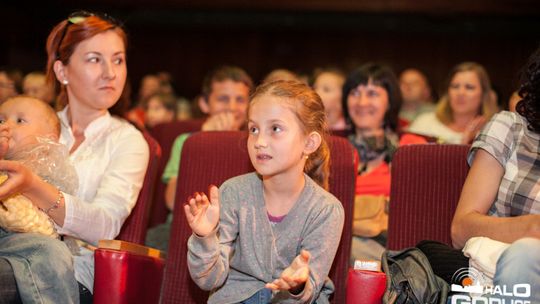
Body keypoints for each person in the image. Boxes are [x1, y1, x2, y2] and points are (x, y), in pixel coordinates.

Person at [0, 11, 149, 303]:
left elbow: (105, 225)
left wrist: (32, 186)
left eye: (118, 59)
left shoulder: (128, 140)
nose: (110, 72)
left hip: (68, 276)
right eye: (95, 59)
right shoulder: (30, 121)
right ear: (62, 72)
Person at [184, 80, 344, 303]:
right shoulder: (233, 192)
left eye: (275, 129)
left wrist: (298, 286)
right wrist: (204, 237)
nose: (259, 142)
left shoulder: (326, 210)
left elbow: (311, 290)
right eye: (253, 129)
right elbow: (208, 280)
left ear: (309, 143)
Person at [450, 47, 540, 303]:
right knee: (526, 253)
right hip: (507, 270)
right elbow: (461, 229)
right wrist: (532, 227)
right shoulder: (510, 128)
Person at [144, 65, 253, 251]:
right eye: (223, 99)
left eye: (240, 100)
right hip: (183, 225)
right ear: (204, 103)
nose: (232, 107)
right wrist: (204, 140)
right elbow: (172, 201)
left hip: (238, 231)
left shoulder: (255, 144)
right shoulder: (186, 141)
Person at [343, 63, 427, 262]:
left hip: (393, 247)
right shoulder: (335, 151)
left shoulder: (411, 149)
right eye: (355, 93)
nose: (362, 102)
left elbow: (423, 212)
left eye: (372, 93)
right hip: (340, 239)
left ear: (390, 101)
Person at [0, 96, 77, 238]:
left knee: (52, 251)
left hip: (27, 240)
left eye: (19, 121)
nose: (6, 125)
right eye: (1, 120)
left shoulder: (50, 173)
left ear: (48, 140)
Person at [408, 62, 499, 144]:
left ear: (483, 94)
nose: (460, 93)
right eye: (455, 86)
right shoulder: (425, 122)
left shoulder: (492, 132)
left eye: (469, 87)